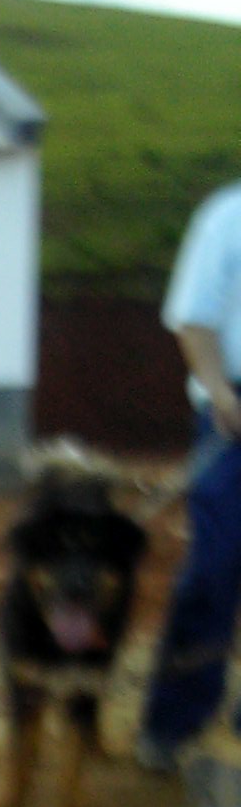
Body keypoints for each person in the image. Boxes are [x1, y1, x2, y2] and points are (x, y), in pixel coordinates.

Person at [136, 179, 241, 772]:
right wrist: (221, 392)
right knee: (215, 566)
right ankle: (173, 723)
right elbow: (194, 319)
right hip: (234, 412)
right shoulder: (230, 216)